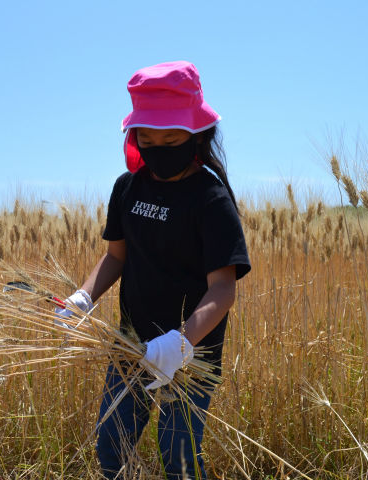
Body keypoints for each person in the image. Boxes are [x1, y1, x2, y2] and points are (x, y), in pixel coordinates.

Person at [57, 61, 251, 479]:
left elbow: (222, 289)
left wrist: (179, 344)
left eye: (172, 137)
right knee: (112, 445)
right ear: (135, 136)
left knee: (177, 453)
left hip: (193, 353)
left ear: (197, 135)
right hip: (131, 345)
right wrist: (84, 296)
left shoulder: (211, 199)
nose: (159, 146)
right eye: (149, 136)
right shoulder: (127, 189)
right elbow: (115, 257)